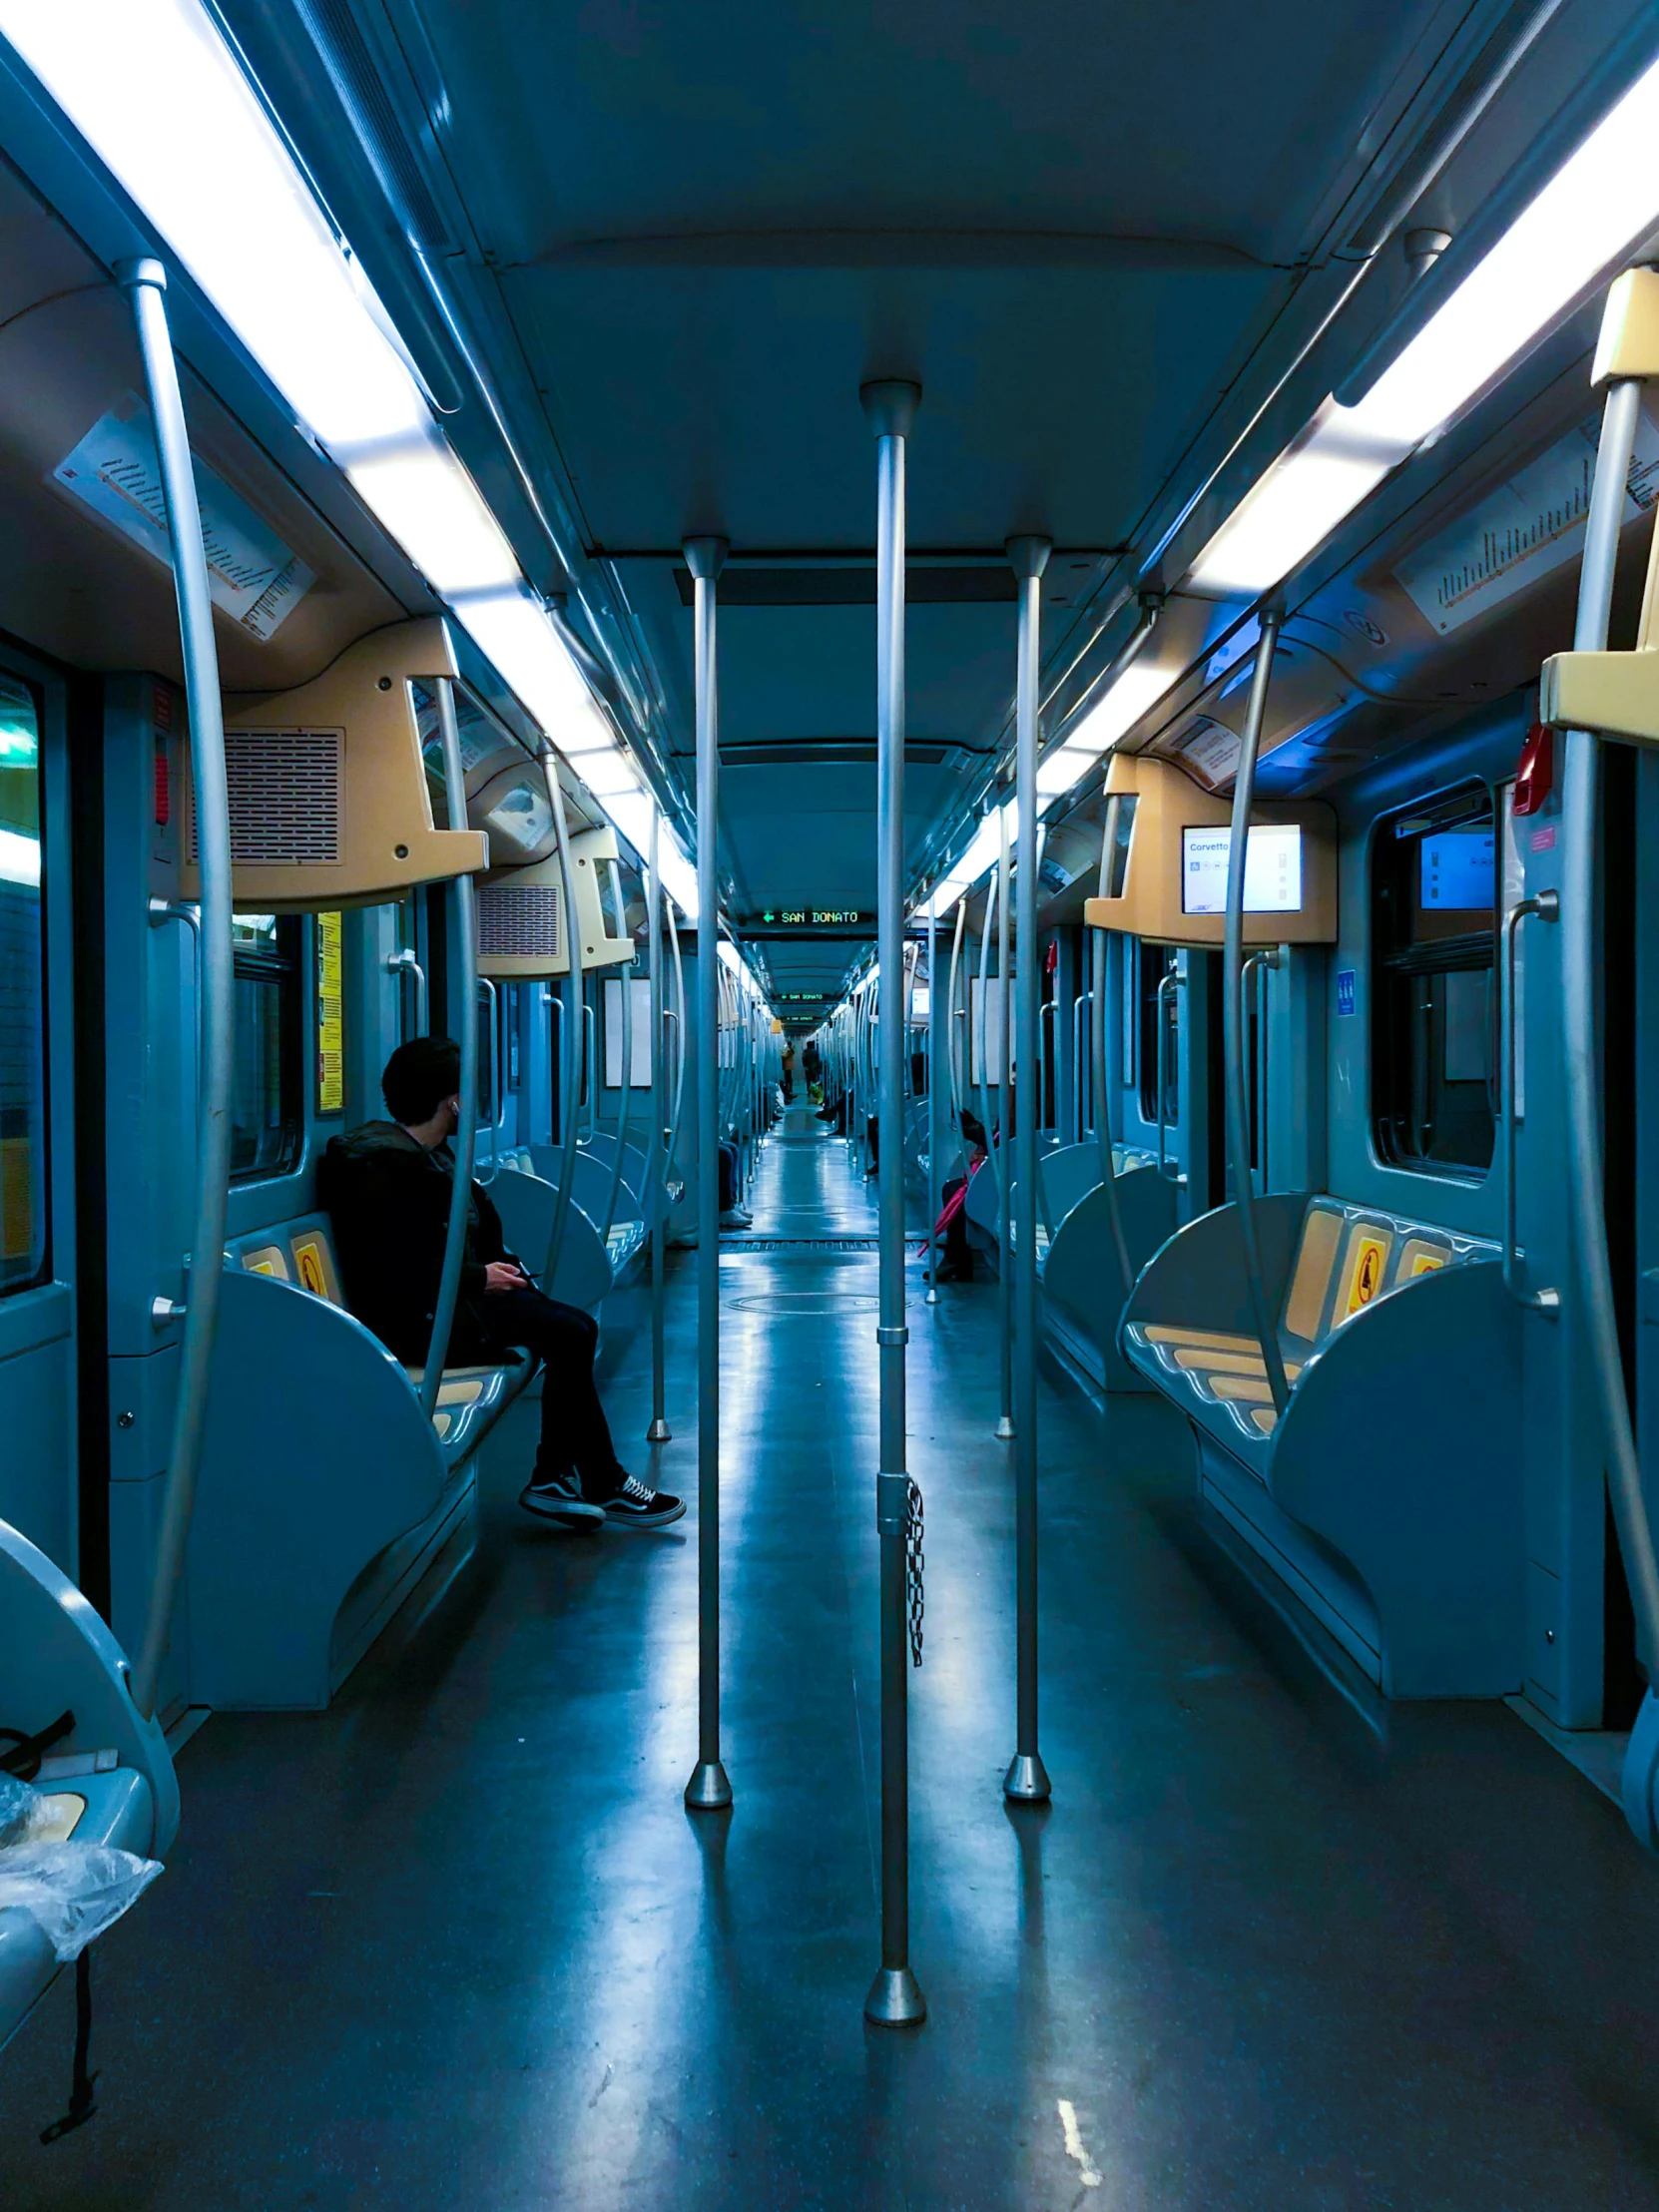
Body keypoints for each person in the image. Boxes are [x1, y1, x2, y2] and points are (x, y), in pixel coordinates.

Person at [320, 1036, 684, 1534]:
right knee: (570, 1333)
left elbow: (469, 1235)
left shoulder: (432, 1157)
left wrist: (497, 1271)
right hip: (420, 1320)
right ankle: (594, 1478)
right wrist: (481, 1277)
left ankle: (563, 1476)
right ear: (452, 1101)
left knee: (572, 1326)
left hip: (450, 1301)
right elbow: (395, 1269)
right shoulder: (385, 1170)